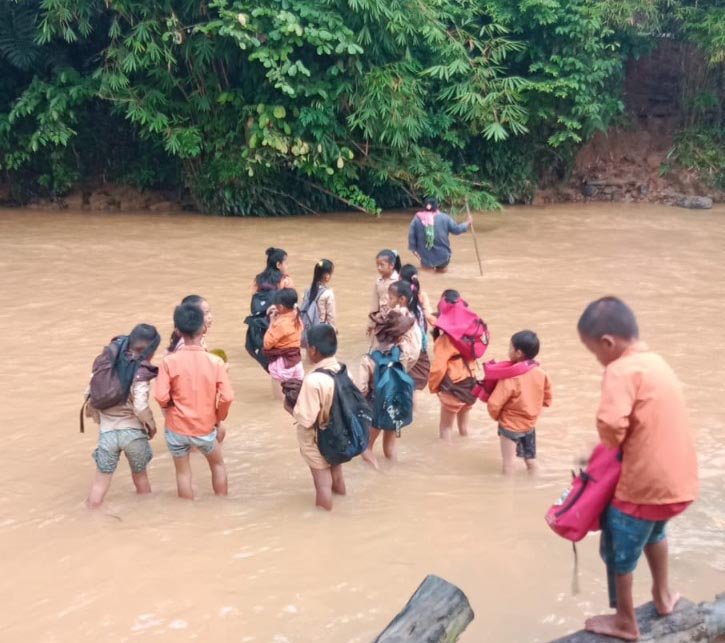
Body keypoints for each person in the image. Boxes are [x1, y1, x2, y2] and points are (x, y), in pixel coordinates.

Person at [578, 296, 698, 641]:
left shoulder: (619, 370)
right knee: (655, 533)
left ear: (607, 343)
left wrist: (609, 446)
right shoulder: (655, 362)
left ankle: (625, 621)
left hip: (644, 485)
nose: (598, 360)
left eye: (593, 352)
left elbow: (611, 423)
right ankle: (663, 596)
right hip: (677, 482)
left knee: (618, 544)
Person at [155, 303, 234, 500]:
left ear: (178, 331)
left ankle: (186, 511)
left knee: (182, 473)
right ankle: (221, 505)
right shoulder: (215, 362)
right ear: (204, 329)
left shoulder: (168, 362)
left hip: (176, 428)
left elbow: (161, 396)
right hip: (205, 428)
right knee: (217, 464)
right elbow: (227, 397)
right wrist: (217, 418)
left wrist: (170, 408)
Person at [86, 324, 161, 508]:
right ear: (149, 351)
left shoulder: (105, 364)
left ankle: (90, 516)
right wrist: (151, 426)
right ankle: (146, 516)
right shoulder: (140, 371)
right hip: (133, 433)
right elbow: (141, 407)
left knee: (99, 484)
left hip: (108, 434)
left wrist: (100, 421)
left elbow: (89, 394)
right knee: (141, 478)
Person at [358, 280, 422, 465]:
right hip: (396, 397)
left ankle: (377, 471)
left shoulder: (369, 360)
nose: (387, 300)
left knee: (366, 447)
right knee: (390, 446)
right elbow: (413, 357)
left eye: (390, 297)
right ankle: (392, 470)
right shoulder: (404, 348)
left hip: (376, 399)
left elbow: (362, 389)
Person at [292, 324, 347, 510]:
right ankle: (342, 509)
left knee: (322, 485)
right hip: (340, 433)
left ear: (313, 350)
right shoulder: (343, 370)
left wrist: (290, 405)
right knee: (337, 476)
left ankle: (325, 522)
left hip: (318, 439)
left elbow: (306, 419)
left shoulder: (313, 380)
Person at [486, 330, 552, 474]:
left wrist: (498, 417)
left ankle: (507, 494)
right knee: (531, 461)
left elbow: (494, 404)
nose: (508, 350)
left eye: (510, 347)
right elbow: (547, 397)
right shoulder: (540, 372)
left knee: (509, 465)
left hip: (510, 425)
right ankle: (534, 486)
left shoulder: (511, 377)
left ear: (518, 353)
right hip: (530, 424)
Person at [428, 290, 478, 442]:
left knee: (446, 429)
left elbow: (438, 368)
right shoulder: (471, 334)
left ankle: (446, 459)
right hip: (471, 382)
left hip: (454, 385)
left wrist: (434, 388)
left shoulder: (444, 340)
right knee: (464, 429)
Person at [399, 264, 435, 402]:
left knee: (403, 376)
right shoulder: (422, 296)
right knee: (416, 382)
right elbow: (429, 316)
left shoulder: (400, 297)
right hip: (420, 343)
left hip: (405, 342)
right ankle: (414, 413)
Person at [407, 197, 472, 273]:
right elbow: (456, 230)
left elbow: (411, 235)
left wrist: (414, 250)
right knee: (441, 275)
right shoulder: (444, 218)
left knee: (428, 276)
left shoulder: (417, 219)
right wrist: (467, 223)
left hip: (425, 257)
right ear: (436, 206)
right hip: (443, 256)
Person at [263, 288, 304, 400]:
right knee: (297, 399)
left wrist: (272, 322)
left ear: (280, 307)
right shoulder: (297, 317)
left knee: (280, 401)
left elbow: (267, 343)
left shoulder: (280, 324)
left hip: (282, 365)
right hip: (296, 362)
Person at [367, 249, 401, 335]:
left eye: (382, 265)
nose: (379, 268)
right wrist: (371, 324)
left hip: (395, 319)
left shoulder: (398, 280)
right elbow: (374, 304)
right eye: (377, 265)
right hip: (381, 319)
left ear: (391, 266)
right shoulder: (378, 282)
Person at [301, 259, 336, 332]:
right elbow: (331, 317)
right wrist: (333, 331)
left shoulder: (308, 290)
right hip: (321, 330)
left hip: (307, 328)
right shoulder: (328, 293)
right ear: (326, 275)